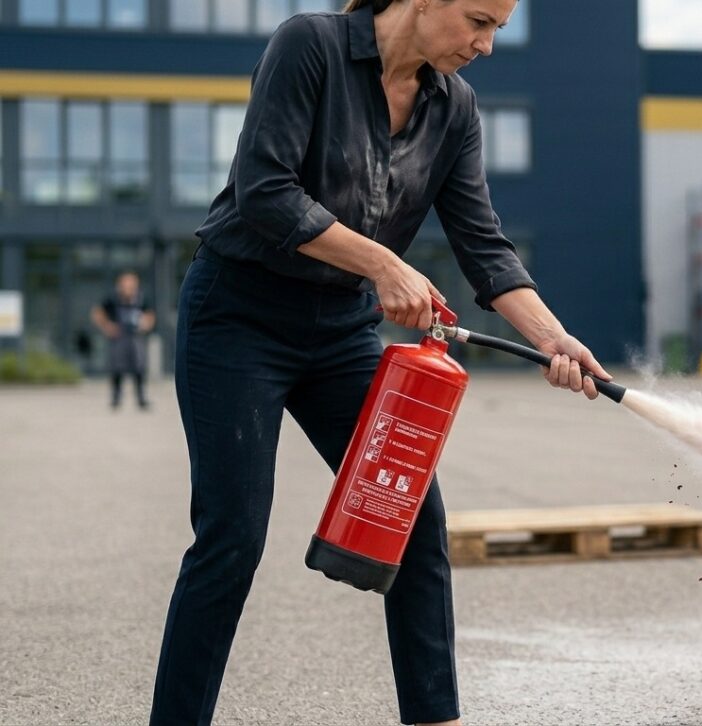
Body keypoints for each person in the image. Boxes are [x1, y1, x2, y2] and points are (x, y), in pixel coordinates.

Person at [149, 1, 612, 724]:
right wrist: (383, 263)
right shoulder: (310, 45)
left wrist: (554, 338)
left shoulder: (453, 109)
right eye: (479, 21)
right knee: (232, 539)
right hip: (237, 316)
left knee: (416, 523)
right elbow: (266, 192)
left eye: (497, 29)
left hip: (339, 329)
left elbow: (483, 248)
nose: (487, 45)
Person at [91, 270, 155, 410]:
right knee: (117, 367)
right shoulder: (112, 299)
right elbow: (97, 313)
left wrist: (145, 324)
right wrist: (107, 326)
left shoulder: (142, 298)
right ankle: (116, 397)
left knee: (139, 366)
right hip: (119, 337)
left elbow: (150, 315)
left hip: (136, 336)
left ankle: (141, 398)